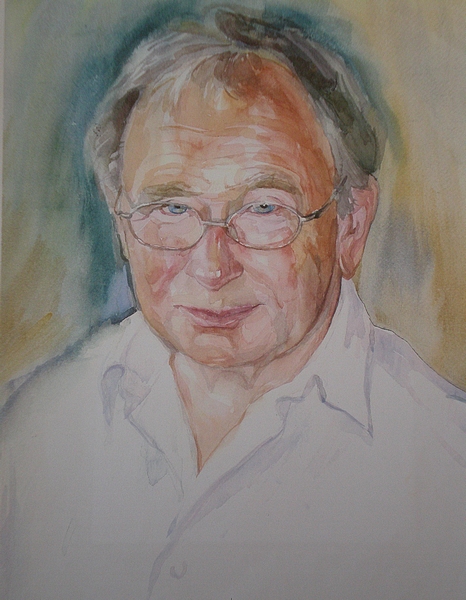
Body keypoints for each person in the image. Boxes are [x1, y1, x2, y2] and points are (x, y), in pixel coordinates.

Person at [1, 7, 465, 600]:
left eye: (265, 207)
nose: (213, 267)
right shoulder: (35, 430)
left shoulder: (445, 467)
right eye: (171, 208)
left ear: (351, 225)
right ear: (120, 223)